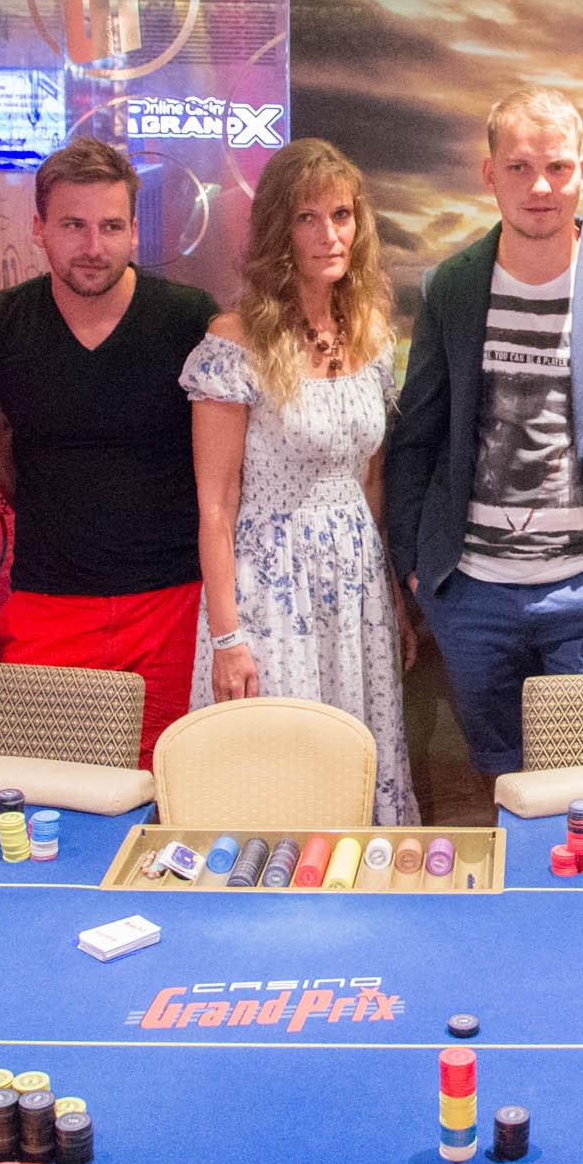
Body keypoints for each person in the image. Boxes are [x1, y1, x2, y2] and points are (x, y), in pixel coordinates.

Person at [386, 88, 583, 777]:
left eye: (557, 167)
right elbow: (416, 436)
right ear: (489, 173)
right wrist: (415, 564)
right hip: (471, 597)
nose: (540, 187)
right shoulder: (450, 288)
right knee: (504, 782)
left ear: (582, 171)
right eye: (520, 167)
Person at [182, 140, 421, 823]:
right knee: (280, 780)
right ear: (278, 232)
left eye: (341, 215)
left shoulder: (371, 333)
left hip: (356, 589)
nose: (329, 234)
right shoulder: (236, 341)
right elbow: (216, 504)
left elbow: (370, 481)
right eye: (307, 218)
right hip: (270, 590)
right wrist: (227, 637)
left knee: (356, 773)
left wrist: (391, 595)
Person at [0, 137, 219, 767]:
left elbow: (223, 470)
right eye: (73, 225)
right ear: (39, 228)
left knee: (169, 789)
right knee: (48, 790)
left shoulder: (190, 320)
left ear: (134, 231)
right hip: (49, 603)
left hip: (174, 602)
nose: (93, 246)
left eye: (111, 226)